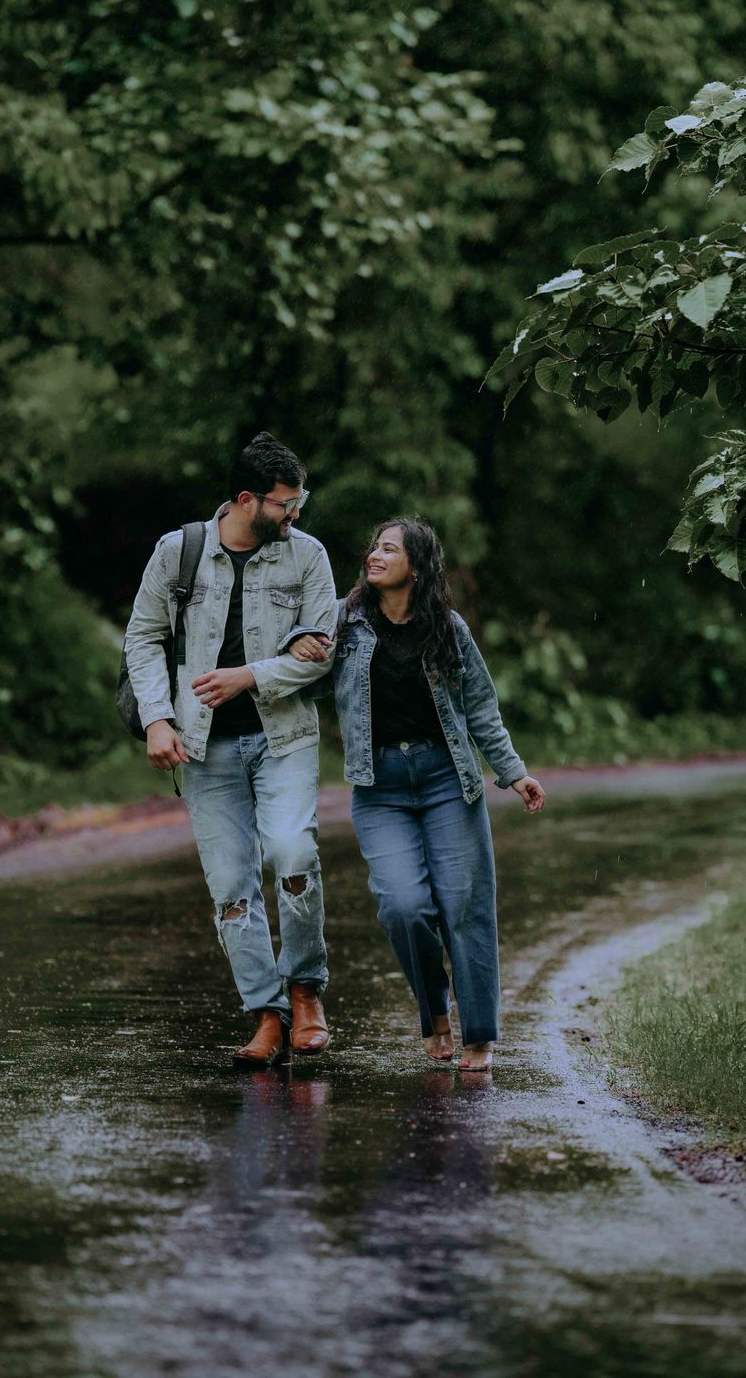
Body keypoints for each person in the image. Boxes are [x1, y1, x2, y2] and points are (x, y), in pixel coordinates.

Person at [289, 518, 544, 1071]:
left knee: (464, 907)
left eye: (389, 549)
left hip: (447, 778)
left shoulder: (448, 629)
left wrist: (513, 772)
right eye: (374, 546)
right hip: (378, 785)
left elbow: (480, 708)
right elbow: (299, 668)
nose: (375, 555)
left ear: (418, 565)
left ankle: (478, 1037)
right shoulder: (342, 619)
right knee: (402, 906)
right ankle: (435, 1014)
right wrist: (297, 644)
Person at [124, 432, 337, 1068]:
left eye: (300, 501)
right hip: (202, 746)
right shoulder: (179, 552)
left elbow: (322, 649)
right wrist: (157, 720)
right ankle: (265, 1014)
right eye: (284, 503)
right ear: (247, 499)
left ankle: (305, 993)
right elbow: (143, 637)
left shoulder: (307, 557)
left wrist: (252, 675)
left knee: (293, 851)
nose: (295, 513)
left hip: (284, 738)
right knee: (231, 888)